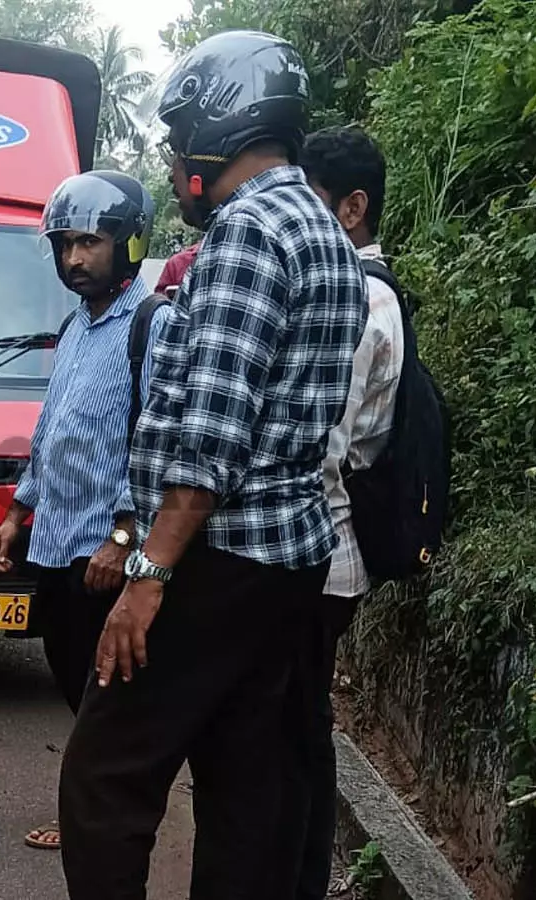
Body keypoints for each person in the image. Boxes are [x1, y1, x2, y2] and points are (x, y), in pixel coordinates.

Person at [56, 30, 369, 900]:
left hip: (216, 555)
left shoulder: (248, 232)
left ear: (215, 127)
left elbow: (214, 432)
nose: (169, 154)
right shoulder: (323, 231)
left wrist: (148, 575)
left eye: (174, 133)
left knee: (106, 775)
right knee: (243, 783)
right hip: (288, 559)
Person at [0, 170, 172, 853]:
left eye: (89, 243)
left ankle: (99, 822)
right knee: (76, 687)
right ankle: (103, 808)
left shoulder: (153, 324)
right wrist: (15, 513)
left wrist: (123, 537)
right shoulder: (78, 326)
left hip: (104, 556)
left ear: (128, 242)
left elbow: (155, 442)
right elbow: (52, 430)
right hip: (55, 545)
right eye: (65, 245)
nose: (74, 259)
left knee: (107, 700)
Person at [297, 124, 404, 900]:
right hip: (330, 547)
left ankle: (296, 877)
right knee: (296, 724)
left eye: (312, 202)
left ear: (353, 208)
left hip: (321, 550)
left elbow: (328, 440)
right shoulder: (363, 290)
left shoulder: (362, 299)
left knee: (294, 730)